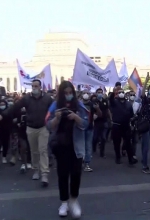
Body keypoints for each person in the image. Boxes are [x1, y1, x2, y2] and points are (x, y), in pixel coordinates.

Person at [0, 79, 53, 186]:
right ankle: (36, 170)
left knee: (43, 150)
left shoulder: (47, 99)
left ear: (40, 87)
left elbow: (54, 109)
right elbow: (14, 108)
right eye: (33, 86)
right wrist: (2, 115)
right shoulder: (27, 98)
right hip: (30, 128)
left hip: (43, 128)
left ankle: (44, 174)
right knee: (34, 151)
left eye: (36, 86)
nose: (34, 88)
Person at [45, 81, 88, 218]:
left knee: (76, 174)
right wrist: (56, 119)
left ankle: (74, 200)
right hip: (61, 146)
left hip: (76, 146)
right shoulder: (54, 106)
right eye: (66, 93)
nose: (68, 95)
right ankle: (64, 202)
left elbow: (86, 123)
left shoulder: (79, 105)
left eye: (71, 93)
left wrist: (76, 117)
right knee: (62, 175)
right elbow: (48, 125)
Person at [109, 87, 135, 165]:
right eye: (119, 92)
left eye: (122, 92)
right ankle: (118, 157)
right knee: (117, 143)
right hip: (116, 125)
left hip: (126, 126)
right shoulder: (114, 102)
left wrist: (132, 121)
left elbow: (131, 114)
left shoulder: (128, 104)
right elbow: (110, 99)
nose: (121, 94)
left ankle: (131, 159)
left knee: (128, 143)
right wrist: (114, 92)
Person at [81, 90, 102, 172]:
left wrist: (98, 109)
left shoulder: (92, 104)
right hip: (80, 128)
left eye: (87, 93)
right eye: (84, 93)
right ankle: (80, 162)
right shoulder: (78, 104)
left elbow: (100, 114)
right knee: (80, 146)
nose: (85, 94)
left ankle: (87, 164)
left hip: (89, 128)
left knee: (88, 146)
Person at [92, 88, 110, 158]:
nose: (100, 93)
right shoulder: (94, 101)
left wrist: (110, 118)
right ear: (96, 93)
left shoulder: (105, 101)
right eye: (98, 92)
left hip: (104, 121)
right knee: (95, 137)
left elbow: (107, 110)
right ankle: (94, 147)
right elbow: (92, 111)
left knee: (103, 138)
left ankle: (102, 153)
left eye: (101, 92)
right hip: (97, 122)